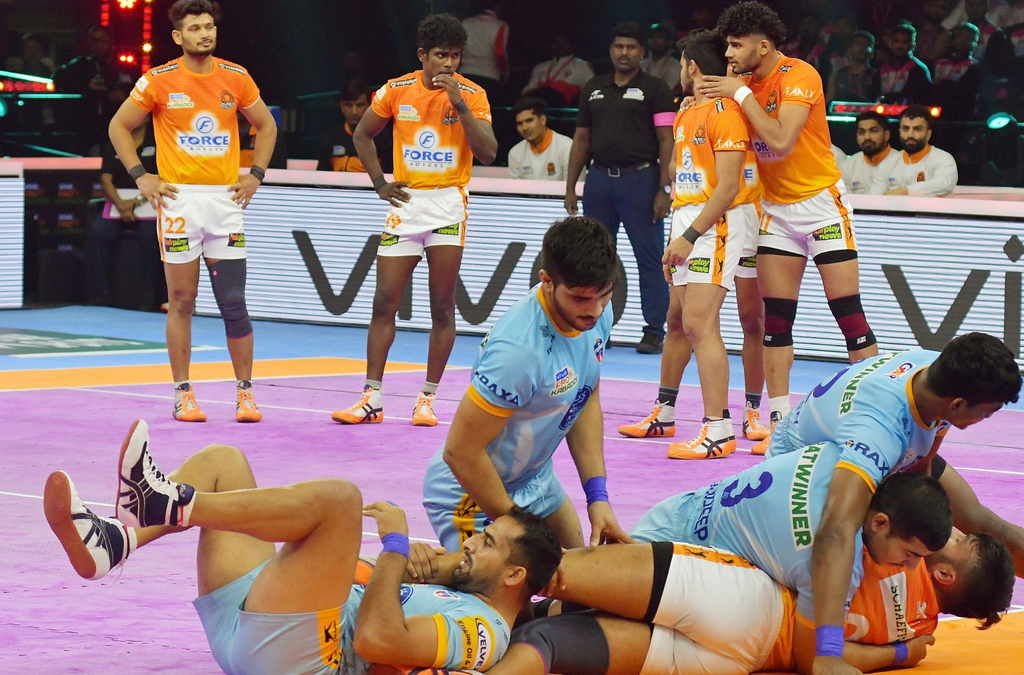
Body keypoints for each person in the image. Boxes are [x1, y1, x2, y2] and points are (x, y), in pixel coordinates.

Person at [761, 333, 1024, 675]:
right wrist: (829, 654)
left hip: (880, 442)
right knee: (850, 545)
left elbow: (924, 463)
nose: (985, 421)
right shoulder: (879, 430)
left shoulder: (938, 374)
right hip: (806, 461)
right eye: (987, 413)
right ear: (959, 404)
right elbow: (836, 530)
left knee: (983, 523)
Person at [44, 419, 561, 674]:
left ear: (515, 575)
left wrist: (396, 547)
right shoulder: (468, 588)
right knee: (224, 462)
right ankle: (116, 540)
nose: (469, 543)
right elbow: (427, 573)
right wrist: (418, 563)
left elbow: (378, 640)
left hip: (308, 659)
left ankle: (169, 505)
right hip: (263, 628)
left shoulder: (484, 630)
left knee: (341, 502)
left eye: (486, 543)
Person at [494, 498, 1013, 675]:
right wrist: (903, 653)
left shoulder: (894, 544)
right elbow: (826, 656)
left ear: (944, 573)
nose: (953, 531)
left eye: (960, 540)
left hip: (747, 600)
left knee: (552, 576)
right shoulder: (918, 631)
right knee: (547, 640)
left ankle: (457, 608)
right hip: (747, 659)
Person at [697, 1, 880, 455]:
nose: (728, 55)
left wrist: (740, 94)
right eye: (727, 47)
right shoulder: (738, 84)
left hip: (822, 207)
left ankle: (876, 413)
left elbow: (780, 139)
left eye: (736, 45)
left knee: (850, 316)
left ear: (763, 46)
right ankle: (780, 423)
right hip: (775, 212)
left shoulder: (801, 74)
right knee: (776, 322)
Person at [111, 0, 277, 424]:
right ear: (177, 36)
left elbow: (266, 124)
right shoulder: (158, 80)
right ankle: (183, 394)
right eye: (195, 28)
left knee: (233, 302)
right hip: (179, 203)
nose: (205, 33)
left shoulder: (236, 76)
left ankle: (245, 394)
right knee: (182, 301)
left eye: (209, 26)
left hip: (225, 202)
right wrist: (141, 176)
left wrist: (255, 175)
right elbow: (118, 126)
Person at [422, 216, 630, 552]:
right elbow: (460, 453)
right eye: (581, 299)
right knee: (506, 587)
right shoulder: (519, 353)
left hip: (535, 480)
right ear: (547, 281)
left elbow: (585, 396)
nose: (595, 310)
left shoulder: (596, 313)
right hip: (472, 492)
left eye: (604, 295)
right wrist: (522, 531)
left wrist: (598, 498)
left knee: (582, 574)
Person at [332, 13, 496, 427]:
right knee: (383, 302)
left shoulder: (472, 94)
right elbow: (362, 134)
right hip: (406, 206)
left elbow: (489, 152)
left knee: (441, 307)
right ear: (423, 55)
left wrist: (460, 105)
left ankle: (427, 398)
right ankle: (371, 398)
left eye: (455, 56)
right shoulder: (397, 89)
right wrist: (379, 183)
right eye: (441, 55)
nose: (449, 64)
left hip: (448, 206)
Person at [620, 30, 766, 460]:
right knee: (678, 320)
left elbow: (727, 187)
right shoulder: (687, 110)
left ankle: (718, 429)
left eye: (682, 63)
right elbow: (676, 170)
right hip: (686, 216)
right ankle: (664, 413)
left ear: (692, 66)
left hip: (714, 223)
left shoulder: (725, 112)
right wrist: (679, 231)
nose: (679, 70)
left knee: (702, 324)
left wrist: (688, 237)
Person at [566, 22, 676, 355]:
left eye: (631, 47)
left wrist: (665, 189)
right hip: (599, 181)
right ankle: (597, 327)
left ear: (642, 52)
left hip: (641, 181)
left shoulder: (656, 88)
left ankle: (654, 330)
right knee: (595, 260)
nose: (624, 52)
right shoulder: (593, 87)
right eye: (618, 46)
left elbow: (667, 139)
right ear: (610, 50)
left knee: (649, 259)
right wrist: (571, 187)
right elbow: (581, 138)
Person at [87, 116, 159, 309]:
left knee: (152, 236)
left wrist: (136, 201)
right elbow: (105, 179)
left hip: (148, 202)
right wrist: (120, 204)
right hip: (117, 203)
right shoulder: (116, 140)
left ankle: (150, 294)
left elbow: (163, 176)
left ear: (148, 118)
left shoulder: (158, 141)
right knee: (98, 232)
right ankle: (101, 292)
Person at [55, 25, 138, 154]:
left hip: (123, 128)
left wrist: (125, 94)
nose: (98, 44)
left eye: (102, 40)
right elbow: (58, 77)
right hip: (93, 130)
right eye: (94, 40)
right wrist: (87, 86)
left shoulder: (126, 66)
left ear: (111, 41)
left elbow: (142, 88)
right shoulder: (83, 64)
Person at [879, 106, 958, 196]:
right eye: (906, 129)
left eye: (917, 129)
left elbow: (945, 184)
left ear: (928, 134)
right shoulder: (888, 162)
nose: (910, 134)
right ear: (900, 132)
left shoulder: (943, 158)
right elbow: (876, 196)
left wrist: (906, 191)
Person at [317, 80, 393, 173]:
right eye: (349, 105)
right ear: (342, 107)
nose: (354, 112)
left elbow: (389, 176)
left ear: (369, 106)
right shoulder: (331, 139)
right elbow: (321, 176)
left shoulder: (383, 140)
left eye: (359, 105)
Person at [507, 97, 573, 181]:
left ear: (543, 119)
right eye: (520, 123)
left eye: (529, 120)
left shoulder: (567, 147)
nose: (524, 128)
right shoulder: (515, 153)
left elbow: (575, 187)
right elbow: (515, 188)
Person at [521, 32, 594, 106]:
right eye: (556, 42)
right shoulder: (540, 67)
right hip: (541, 108)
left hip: (566, 110)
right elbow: (528, 90)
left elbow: (592, 91)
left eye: (564, 42)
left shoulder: (582, 66)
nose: (559, 45)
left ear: (571, 44)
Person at [841, 110, 901, 195]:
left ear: (886, 135)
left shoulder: (901, 163)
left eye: (873, 131)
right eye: (862, 132)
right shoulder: (848, 167)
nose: (867, 137)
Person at [932, 24, 982, 120]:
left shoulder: (976, 67)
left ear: (975, 43)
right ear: (953, 40)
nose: (963, 41)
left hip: (962, 114)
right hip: (937, 111)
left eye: (969, 38)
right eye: (960, 36)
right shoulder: (939, 63)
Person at [460, 0, 509, 93]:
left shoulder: (465, 23)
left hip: (465, 72)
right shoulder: (500, 25)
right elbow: (499, 53)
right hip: (489, 76)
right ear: (497, 8)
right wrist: (505, 72)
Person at [880, 23, 934, 104]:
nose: (900, 45)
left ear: (912, 46)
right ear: (890, 43)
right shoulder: (882, 70)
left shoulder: (918, 69)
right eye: (896, 41)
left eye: (905, 42)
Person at [825, 31, 881, 103]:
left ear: (872, 53)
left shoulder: (876, 75)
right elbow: (829, 102)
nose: (861, 47)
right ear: (849, 50)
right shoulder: (836, 75)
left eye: (866, 44)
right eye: (857, 44)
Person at [642, 24, 682, 93]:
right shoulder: (641, 64)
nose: (654, 40)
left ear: (669, 42)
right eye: (652, 37)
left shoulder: (675, 66)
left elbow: (668, 91)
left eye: (659, 37)